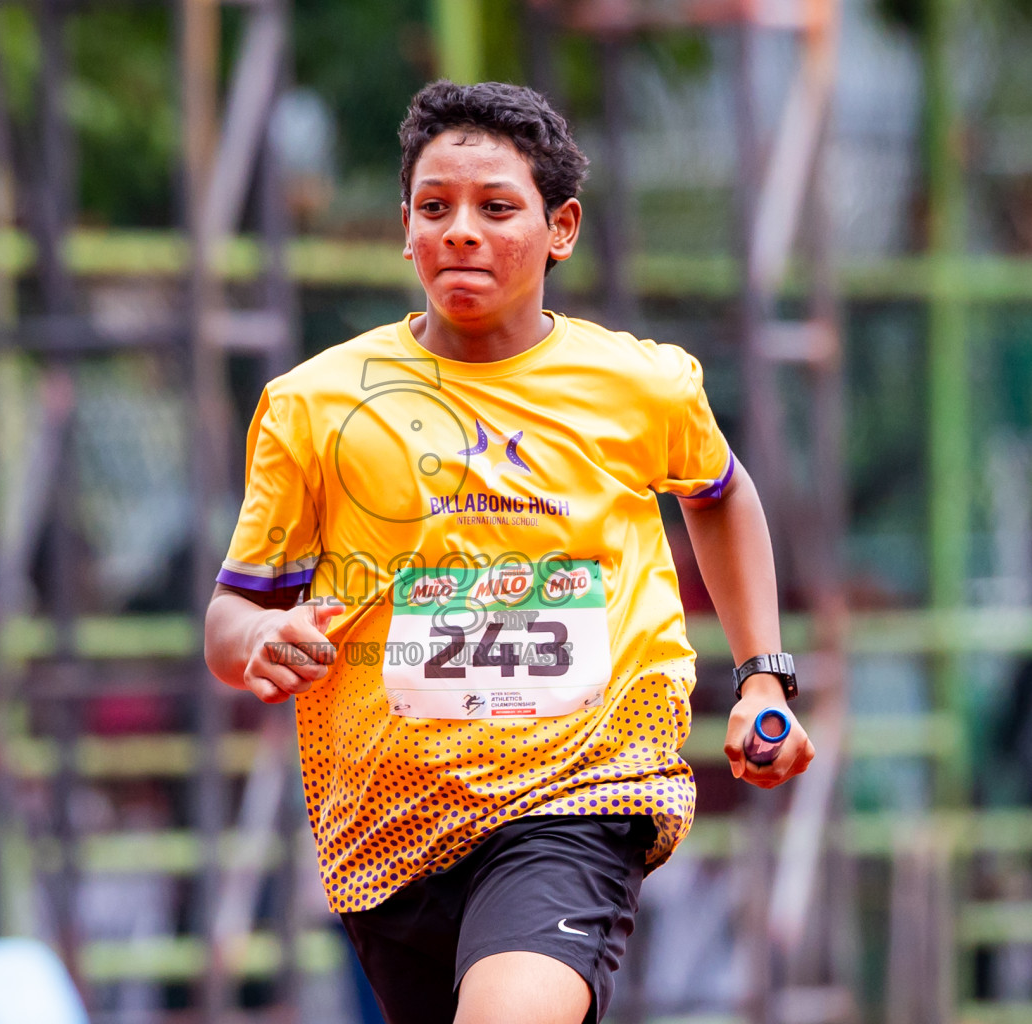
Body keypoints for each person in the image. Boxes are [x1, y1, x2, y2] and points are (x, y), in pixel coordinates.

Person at [204, 80, 814, 1024]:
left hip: (579, 797)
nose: (461, 232)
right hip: (389, 835)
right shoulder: (316, 404)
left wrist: (762, 677)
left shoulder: (640, 385)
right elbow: (230, 616)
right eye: (434, 208)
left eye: (496, 208)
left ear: (560, 228)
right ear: (405, 229)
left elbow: (720, 494)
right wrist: (258, 639)